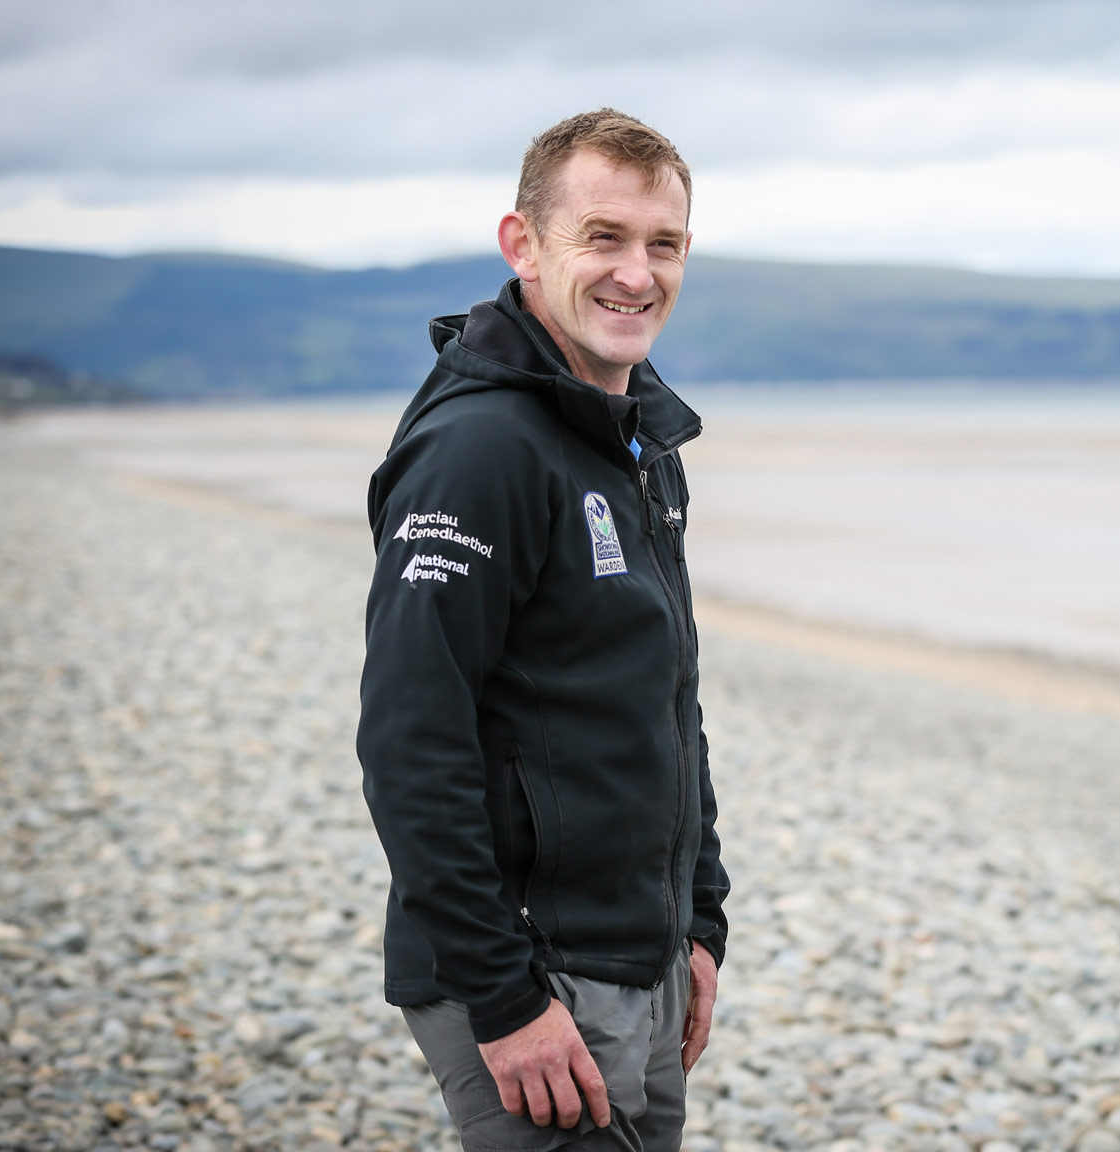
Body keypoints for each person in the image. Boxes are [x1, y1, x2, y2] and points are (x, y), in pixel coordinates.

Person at [355, 108, 729, 1152]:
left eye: (663, 245)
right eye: (602, 237)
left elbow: (665, 697)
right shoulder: (480, 450)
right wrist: (502, 999)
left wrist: (699, 924)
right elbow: (408, 742)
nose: (636, 274)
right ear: (525, 244)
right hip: (533, 980)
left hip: (638, 964)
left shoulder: (636, 441)